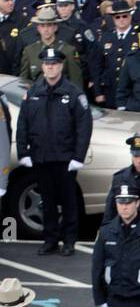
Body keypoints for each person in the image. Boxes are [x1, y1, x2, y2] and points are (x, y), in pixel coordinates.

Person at [14, 45, 90, 256]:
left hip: (65, 158)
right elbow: (23, 125)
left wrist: (78, 156)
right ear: (43, 67)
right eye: (47, 64)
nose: (50, 68)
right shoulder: (33, 92)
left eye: (54, 64)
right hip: (41, 157)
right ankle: (50, 240)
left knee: (68, 202)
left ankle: (69, 241)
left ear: (61, 66)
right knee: (47, 202)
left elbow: (84, 126)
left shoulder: (73, 93)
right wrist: (23, 153)